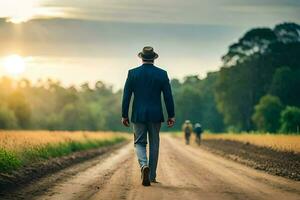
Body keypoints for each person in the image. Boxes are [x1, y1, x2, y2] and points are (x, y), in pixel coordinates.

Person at [121, 46, 175, 186]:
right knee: (154, 144)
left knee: (139, 142)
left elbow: (126, 96)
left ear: (141, 57)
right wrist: (171, 115)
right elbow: (168, 97)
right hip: (156, 114)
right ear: (154, 58)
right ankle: (151, 176)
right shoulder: (162, 74)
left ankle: (143, 165)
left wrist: (124, 115)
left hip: (138, 114)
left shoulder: (133, 73)